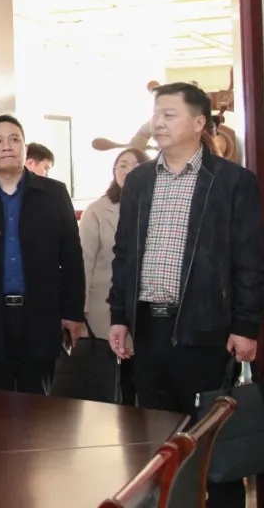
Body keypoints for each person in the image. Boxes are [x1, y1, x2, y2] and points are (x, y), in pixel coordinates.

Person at [108, 82, 264, 508]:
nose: (158, 123)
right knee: (158, 442)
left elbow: (251, 260)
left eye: (169, 114)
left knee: (213, 445)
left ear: (199, 123)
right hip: (148, 328)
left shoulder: (232, 181)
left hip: (206, 330)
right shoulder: (140, 180)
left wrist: (246, 326)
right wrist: (119, 316)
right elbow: (125, 254)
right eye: (155, 114)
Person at [0, 115, 85, 394]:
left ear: (25, 147)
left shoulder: (54, 194)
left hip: (41, 313)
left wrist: (72, 312)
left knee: (38, 404)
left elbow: (72, 257)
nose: (6, 146)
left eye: (14, 140)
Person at [78, 147, 147, 405]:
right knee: (111, 380)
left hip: (144, 306)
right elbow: (84, 261)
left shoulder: (154, 205)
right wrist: (80, 310)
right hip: (104, 306)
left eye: (135, 165)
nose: (128, 171)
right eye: (122, 165)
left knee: (141, 375)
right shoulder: (97, 210)